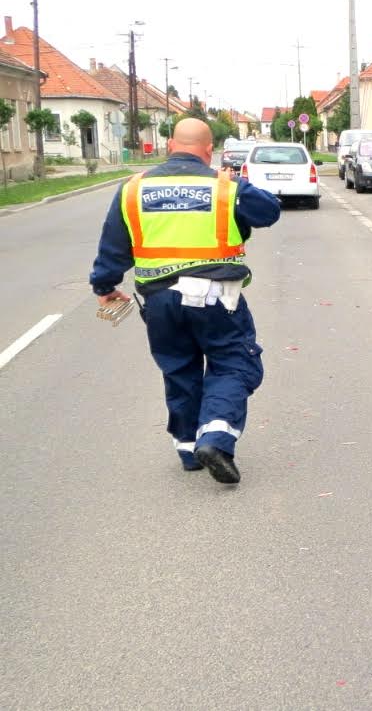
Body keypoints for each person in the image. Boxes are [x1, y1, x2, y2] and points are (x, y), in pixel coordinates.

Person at [90, 118, 282, 484]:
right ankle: (216, 438)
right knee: (232, 363)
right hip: (216, 297)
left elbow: (113, 246)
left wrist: (104, 285)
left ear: (169, 146)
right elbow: (268, 211)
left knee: (179, 368)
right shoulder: (225, 186)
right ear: (209, 150)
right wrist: (239, 183)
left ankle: (188, 449)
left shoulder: (132, 190)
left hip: (159, 300)